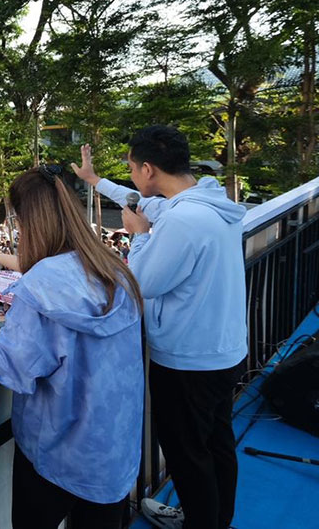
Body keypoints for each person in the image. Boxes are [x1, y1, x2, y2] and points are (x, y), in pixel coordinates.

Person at [72, 125, 247, 529]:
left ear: (148, 169)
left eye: (133, 169)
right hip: (223, 350)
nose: (132, 177)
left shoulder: (182, 221)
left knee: (188, 455)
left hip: (188, 362)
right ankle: (217, 519)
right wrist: (95, 181)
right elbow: (140, 203)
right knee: (218, 443)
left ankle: (201, 523)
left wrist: (138, 237)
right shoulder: (206, 202)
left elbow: (142, 281)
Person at [0, 166, 144, 529]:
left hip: (55, 454)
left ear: (28, 221)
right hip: (112, 453)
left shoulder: (38, 287)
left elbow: (13, 369)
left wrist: (2, 331)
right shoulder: (115, 271)